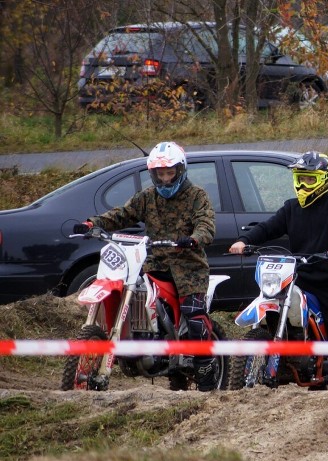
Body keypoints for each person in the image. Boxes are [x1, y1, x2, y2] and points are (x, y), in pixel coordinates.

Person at [72, 141, 218, 390]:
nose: (164, 179)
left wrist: (194, 238)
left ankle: (205, 368)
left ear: (180, 171)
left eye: (169, 173)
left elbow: (206, 224)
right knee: (137, 296)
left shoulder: (197, 196)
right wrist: (92, 224)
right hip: (154, 264)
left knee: (193, 315)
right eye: (159, 174)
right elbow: (122, 214)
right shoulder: (147, 197)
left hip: (189, 268)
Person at [227, 151, 328, 390]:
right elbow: (268, 227)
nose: (303, 183)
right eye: (300, 177)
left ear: (323, 179)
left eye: (309, 178)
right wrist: (244, 240)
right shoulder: (291, 207)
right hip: (301, 278)